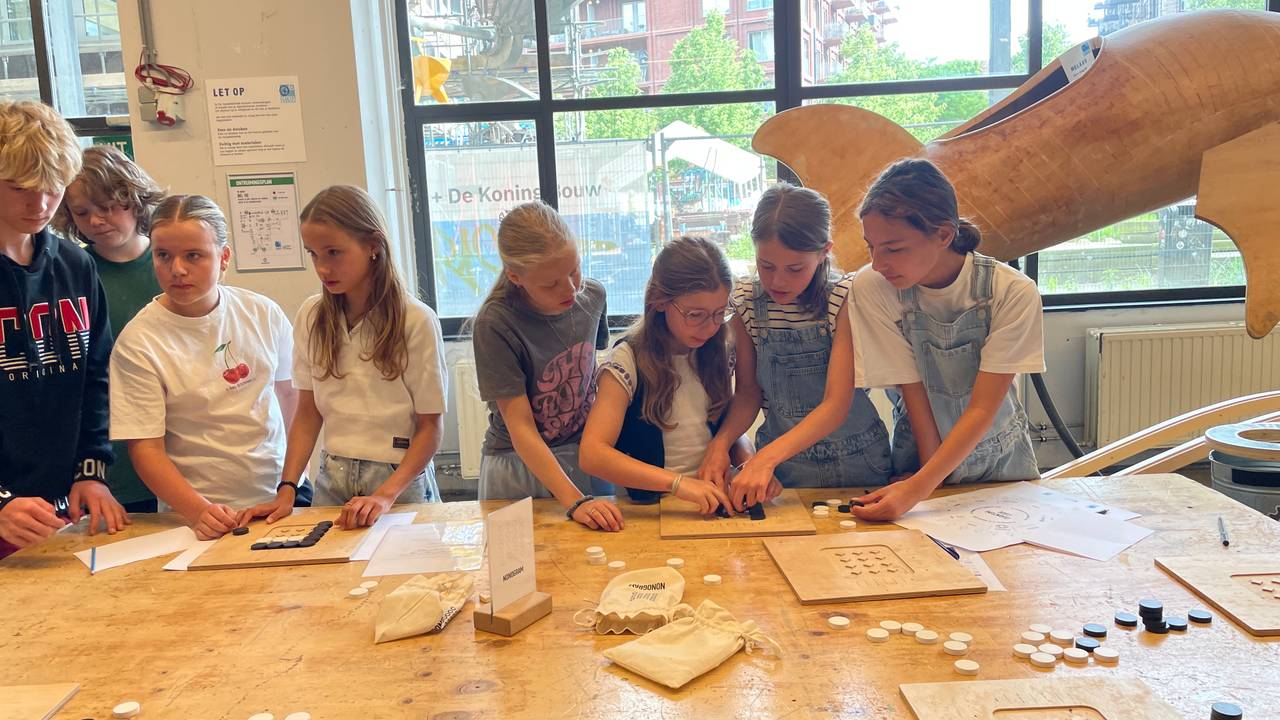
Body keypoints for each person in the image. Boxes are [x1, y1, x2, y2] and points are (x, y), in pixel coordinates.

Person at [239, 185, 446, 530]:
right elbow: (308, 413)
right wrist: (287, 489)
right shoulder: (312, 315)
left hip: (398, 478)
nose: (323, 268)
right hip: (332, 474)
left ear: (373, 245)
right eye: (314, 254)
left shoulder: (416, 319)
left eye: (334, 252)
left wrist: (385, 495)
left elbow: (431, 427)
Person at [850, 159, 1043, 522]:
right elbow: (912, 389)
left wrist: (920, 487)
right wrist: (926, 481)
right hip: (918, 457)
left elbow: (983, 408)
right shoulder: (872, 287)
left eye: (893, 248)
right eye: (870, 247)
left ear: (943, 235)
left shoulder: (1012, 291)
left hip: (1000, 461)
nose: (878, 263)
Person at [109, 194, 296, 540]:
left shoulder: (263, 313)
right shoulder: (139, 342)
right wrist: (199, 511)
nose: (177, 269)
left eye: (193, 255)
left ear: (224, 258)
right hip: (195, 515)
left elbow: (288, 397)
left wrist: (294, 481)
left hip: (279, 500)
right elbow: (146, 448)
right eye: (163, 256)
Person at [706, 183, 892, 511]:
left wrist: (764, 459)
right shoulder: (746, 301)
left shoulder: (845, 297)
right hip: (786, 468)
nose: (778, 281)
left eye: (795, 269)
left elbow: (836, 404)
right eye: (766, 266)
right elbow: (748, 392)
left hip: (860, 461)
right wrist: (720, 444)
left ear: (823, 253)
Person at [0, 101, 127, 557]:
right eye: (20, 188)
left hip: (66, 507)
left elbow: (97, 376)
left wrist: (92, 469)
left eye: (53, 188)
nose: (40, 204)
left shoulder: (75, 264)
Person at [471, 202, 621, 531]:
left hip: (581, 452)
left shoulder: (594, 296)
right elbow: (520, 425)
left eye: (574, 270)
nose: (570, 289)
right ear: (516, 277)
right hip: (518, 463)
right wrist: (575, 501)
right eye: (550, 284)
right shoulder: (495, 323)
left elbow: (590, 376)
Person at [579, 236, 748, 515]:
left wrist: (747, 463)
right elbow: (592, 454)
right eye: (695, 314)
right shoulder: (627, 359)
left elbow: (725, 429)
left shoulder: (719, 347)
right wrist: (678, 483)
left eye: (719, 313)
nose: (710, 327)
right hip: (650, 508)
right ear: (660, 301)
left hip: (713, 503)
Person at [53, 145, 165, 513]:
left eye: (108, 207)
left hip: (177, 439)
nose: (97, 221)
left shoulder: (171, 264)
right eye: (82, 212)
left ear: (134, 199)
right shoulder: (71, 274)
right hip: (110, 448)